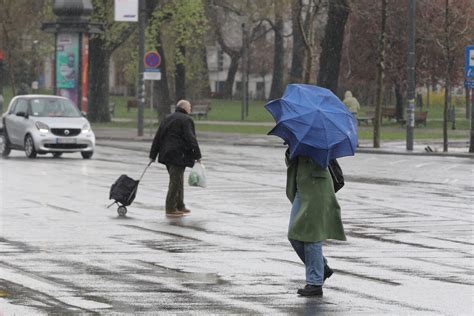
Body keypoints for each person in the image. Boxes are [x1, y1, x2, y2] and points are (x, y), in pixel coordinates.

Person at [286, 150, 346, 296]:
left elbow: (324, 160)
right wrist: (291, 151)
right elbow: (290, 162)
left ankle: (315, 283)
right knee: (294, 236)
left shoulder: (322, 141)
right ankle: (322, 268)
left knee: (312, 236)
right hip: (301, 188)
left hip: (317, 187)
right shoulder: (299, 138)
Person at [149, 99, 202, 218]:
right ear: (184, 108)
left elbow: (158, 137)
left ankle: (180, 205)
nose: (190, 109)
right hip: (178, 154)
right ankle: (170, 208)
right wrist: (197, 155)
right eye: (189, 107)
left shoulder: (168, 118)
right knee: (175, 181)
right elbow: (191, 138)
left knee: (178, 180)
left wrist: (153, 155)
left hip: (167, 154)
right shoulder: (186, 120)